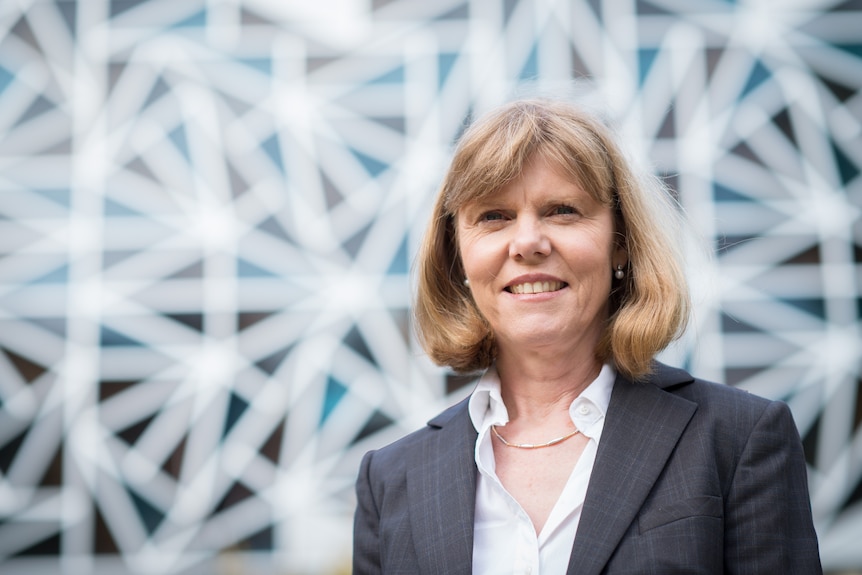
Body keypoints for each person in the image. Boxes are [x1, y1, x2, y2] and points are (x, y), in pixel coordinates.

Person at [352, 98, 821, 574]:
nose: (528, 242)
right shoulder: (392, 480)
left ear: (620, 240)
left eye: (562, 210)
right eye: (494, 216)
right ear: (458, 254)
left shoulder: (738, 440)